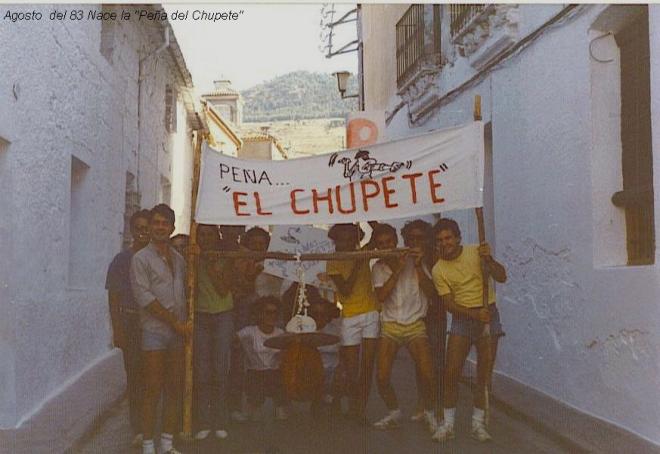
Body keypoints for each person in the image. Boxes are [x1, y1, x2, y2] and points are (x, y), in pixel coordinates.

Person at [430, 218, 507, 443]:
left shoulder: (477, 252)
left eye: (448, 238)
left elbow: (502, 276)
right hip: (462, 319)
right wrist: (474, 315)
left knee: (484, 373)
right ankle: (448, 425)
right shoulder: (438, 269)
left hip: (488, 315)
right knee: (451, 372)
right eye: (439, 240)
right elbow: (449, 304)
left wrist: (489, 259)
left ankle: (477, 424)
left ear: (458, 238)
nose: (444, 243)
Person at [130, 204, 191, 454]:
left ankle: (167, 443)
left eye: (165, 223)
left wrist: (181, 325)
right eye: (156, 222)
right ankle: (148, 444)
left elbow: (185, 293)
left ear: (172, 227)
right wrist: (174, 322)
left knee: (174, 387)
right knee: (152, 389)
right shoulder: (140, 259)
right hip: (154, 331)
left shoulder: (179, 260)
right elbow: (144, 297)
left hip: (178, 333)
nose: (160, 227)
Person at [370, 222, 438, 432]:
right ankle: (394, 412)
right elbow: (381, 296)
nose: (386, 246)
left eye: (389, 241)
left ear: (396, 241)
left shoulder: (415, 259)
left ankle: (429, 412)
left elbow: (431, 292)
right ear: (377, 247)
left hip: (415, 324)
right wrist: (398, 269)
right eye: (381, 243)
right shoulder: (378, 267)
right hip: (390, 326)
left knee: (428, 374)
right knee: (382, 377)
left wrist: (416, 266)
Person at [105, 209, 151, 447]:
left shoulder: (157, 257)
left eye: (146, 228)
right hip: (131, 323)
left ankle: (153, 424)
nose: (143, 232)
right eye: (138, 228)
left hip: (154, 324)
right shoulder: (121, 260)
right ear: (132, 231)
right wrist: (118, 330)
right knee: (135, 376)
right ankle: (138, 427)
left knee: (153, 376)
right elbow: (114, 298)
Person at [326, 223, 379, 420]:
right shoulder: (333, 261)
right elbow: (346, 290)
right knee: (351, 368)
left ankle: (359, 409)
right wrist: (358, 262)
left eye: (350, 239)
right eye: (342, 239)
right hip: (349, 316)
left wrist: (368, 215)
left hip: (371, 313)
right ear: (335, 240)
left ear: (356, 239)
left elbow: (379, 231)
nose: (346, 243)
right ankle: (345, 400)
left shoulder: (362, 252)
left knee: (367, 366)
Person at [192, 224, 234, 441]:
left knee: (220, 369)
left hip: (222, 315)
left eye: (210, 234)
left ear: (216, 237)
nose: (206, 238)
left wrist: (208, 263)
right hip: (200, 316)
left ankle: (220, 421)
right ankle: (204, 421)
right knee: (202, 371)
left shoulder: (224, 258)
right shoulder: (192, 258)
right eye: (202, 234)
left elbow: (223, 289)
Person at [235, 296, 289, 421]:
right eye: (268, 312)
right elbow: (233, 340)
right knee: (255, 418)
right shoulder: (249, 332)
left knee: (281, 379)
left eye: (275, 312)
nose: (272, 316)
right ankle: (251, 407)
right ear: (260, 314)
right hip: (255, 373)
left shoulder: (281, 333)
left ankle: (281, 408)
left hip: (275, 374)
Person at [308, 297, 342, 408]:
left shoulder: (337, 329)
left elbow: (344, 353)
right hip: (314, 371)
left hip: (334, 370)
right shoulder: (305, 331)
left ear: (327, 315)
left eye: (322, 314)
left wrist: (341, 368)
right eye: (315, 314)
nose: (319, 317)